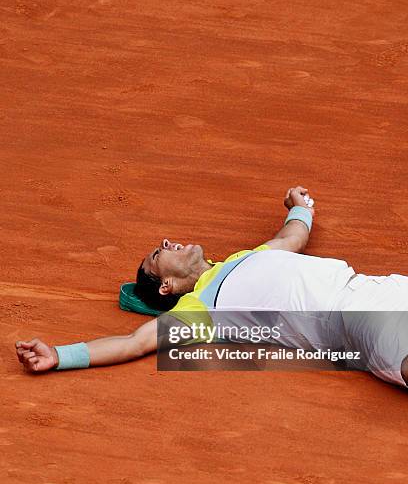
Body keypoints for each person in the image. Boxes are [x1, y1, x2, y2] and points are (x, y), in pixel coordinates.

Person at [15, 186, 408, 388]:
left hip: (381, 286)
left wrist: (298, 206)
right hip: (354, 323)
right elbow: (133, 342)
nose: (168, 242)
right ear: (167, 286)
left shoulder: (240, 258)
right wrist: (60, 355)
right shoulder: (201, 309)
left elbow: (291, 240)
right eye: (158, 253)